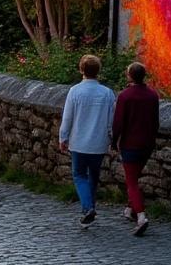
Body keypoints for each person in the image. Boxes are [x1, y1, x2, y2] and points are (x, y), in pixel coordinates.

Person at [58, 54, 117, 228]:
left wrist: (63, 137)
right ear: (98, 71)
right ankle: (90, 206)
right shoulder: (107, 93)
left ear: (81, 70)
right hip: (98, 143)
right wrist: (111, 138)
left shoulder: (75, 91)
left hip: (79, 141)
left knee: (79, 175)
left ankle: (87, 207)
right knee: (94, 176)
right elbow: (111, 120)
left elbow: (67, 118)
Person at [112, 61, 160, 236]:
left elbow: (118, 123)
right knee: (135, 176)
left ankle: (141, 216)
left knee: (131, 181)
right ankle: (130, 209)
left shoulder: (125, 96)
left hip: (130, 144)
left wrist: (114, 140)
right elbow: (156, 121)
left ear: (129, 76)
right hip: (147, 143)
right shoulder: (152, 96)